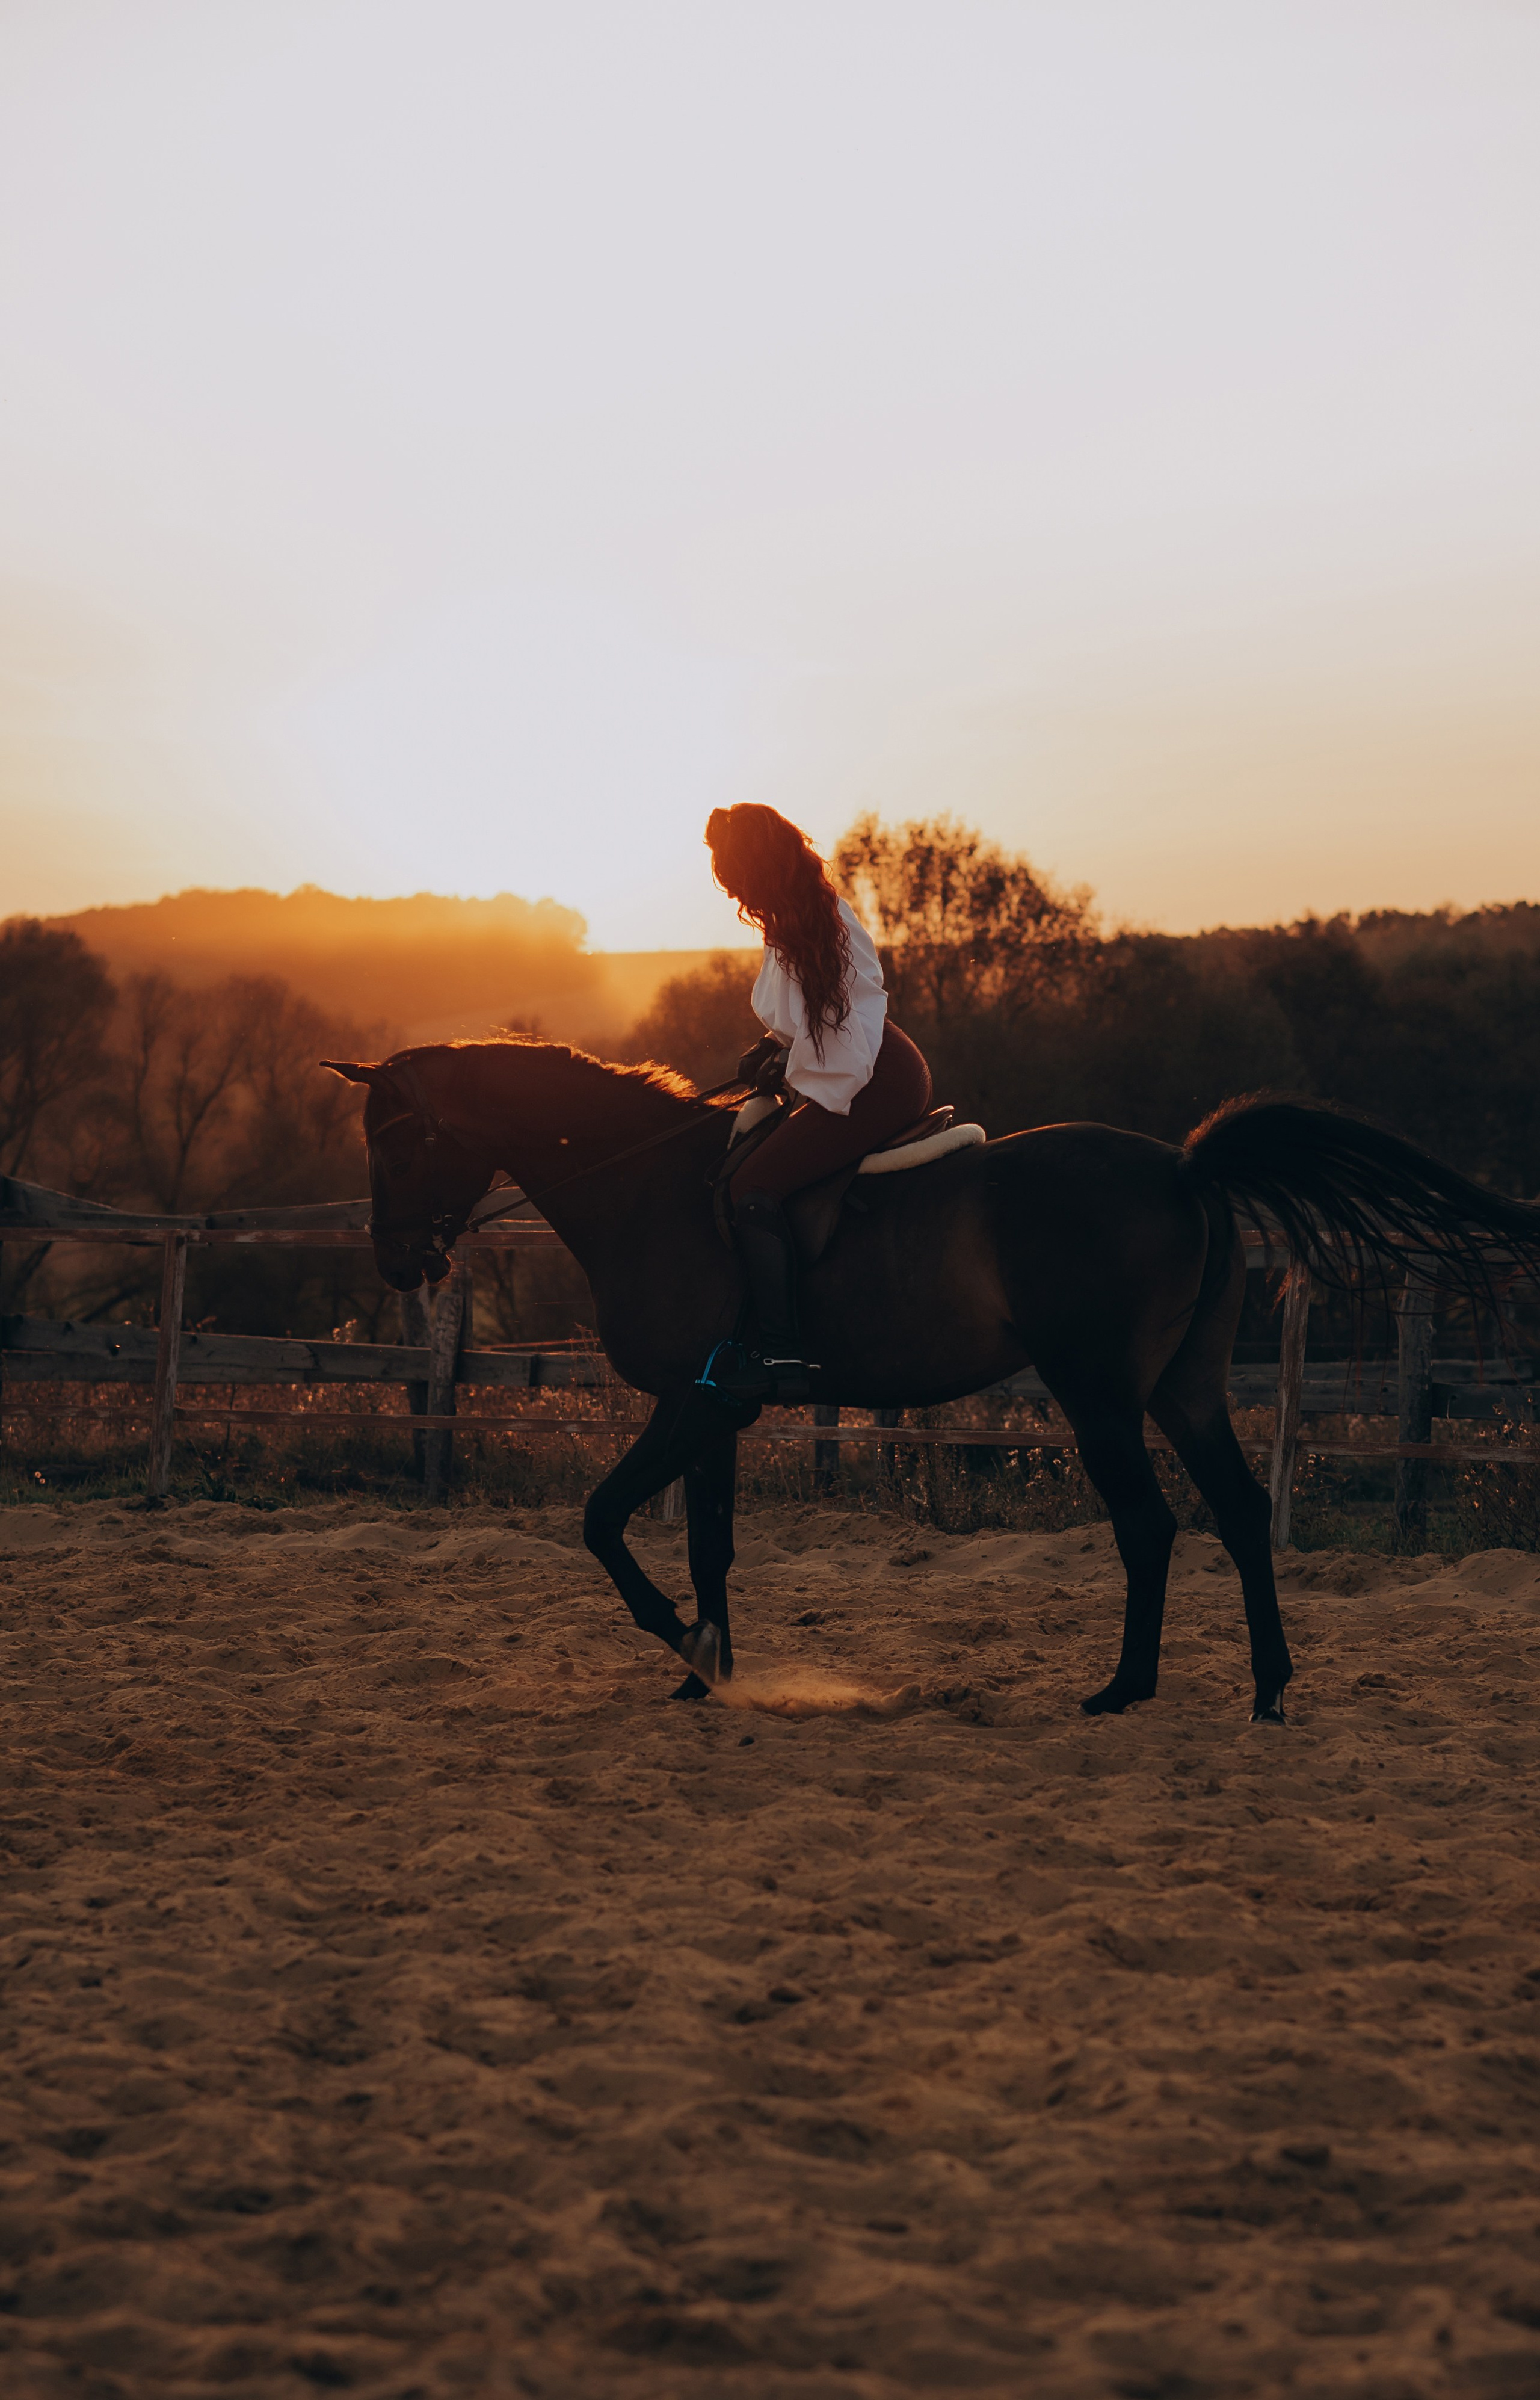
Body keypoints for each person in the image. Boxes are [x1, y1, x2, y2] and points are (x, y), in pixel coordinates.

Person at [700, 803, 933, 1404]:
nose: (733, 892)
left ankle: (780, 1352)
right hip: (855, 1067)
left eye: (734, 877)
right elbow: (810, 1020)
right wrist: (772, 1049)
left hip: (870, 1077)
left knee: (750, 1187)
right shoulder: (792, 922)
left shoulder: (817, 922)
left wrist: (790, 1063)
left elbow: (842, 1033)